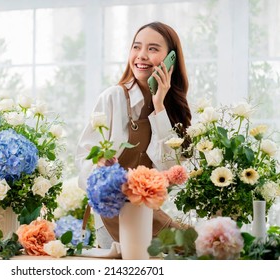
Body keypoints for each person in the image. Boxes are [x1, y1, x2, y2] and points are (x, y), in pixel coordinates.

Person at [75, 21, 192, 248]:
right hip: (112, 217)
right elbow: (83, 159)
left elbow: (171, 168)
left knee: (191, 248)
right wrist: (99, 165)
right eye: (136, 47)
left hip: (148, 214)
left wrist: (159, 106)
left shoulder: (173, 108)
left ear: (171, 59)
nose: (141, 55)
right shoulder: (113, 98)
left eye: (153, 49)